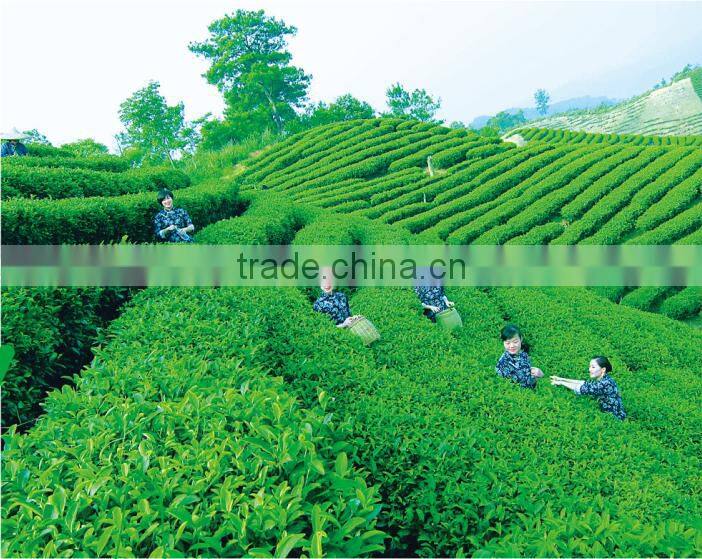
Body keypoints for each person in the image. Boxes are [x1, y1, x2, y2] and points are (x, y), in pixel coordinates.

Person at [550, 356, 626, 420]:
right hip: (609, 415)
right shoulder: (605, 379)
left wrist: (561, 383)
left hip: (614, 418)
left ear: (603, 369)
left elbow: (581, 388)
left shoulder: (605, 383)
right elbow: (583, 383)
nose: (590, 369)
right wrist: (560, 379)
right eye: (590, 367)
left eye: (593, 367)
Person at [495, 324, 544, 389]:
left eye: (515, 342)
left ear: (521, 339)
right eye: (508, 343)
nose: (512, 346)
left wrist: (539, 374)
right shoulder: (503, 363)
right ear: (503, 343)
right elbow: (511, 386)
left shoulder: (523, 353)